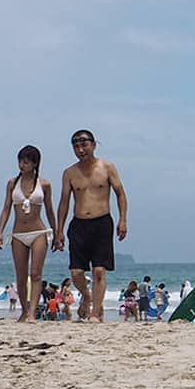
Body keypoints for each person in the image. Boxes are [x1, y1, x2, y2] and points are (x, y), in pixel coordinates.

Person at [53, 129, 128, 323]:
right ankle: (86, 296)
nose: (80, 149)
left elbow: (120, 193)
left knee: (99, 270)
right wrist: (59, 231)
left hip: (102, 222)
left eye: (84, 144)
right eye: (76, 146)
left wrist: (123, 220)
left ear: (93, 145)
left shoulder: (107, 167)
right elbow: (64, 202)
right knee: (76, 273)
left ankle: (96, 312)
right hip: (79, 224)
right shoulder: (69, 173)